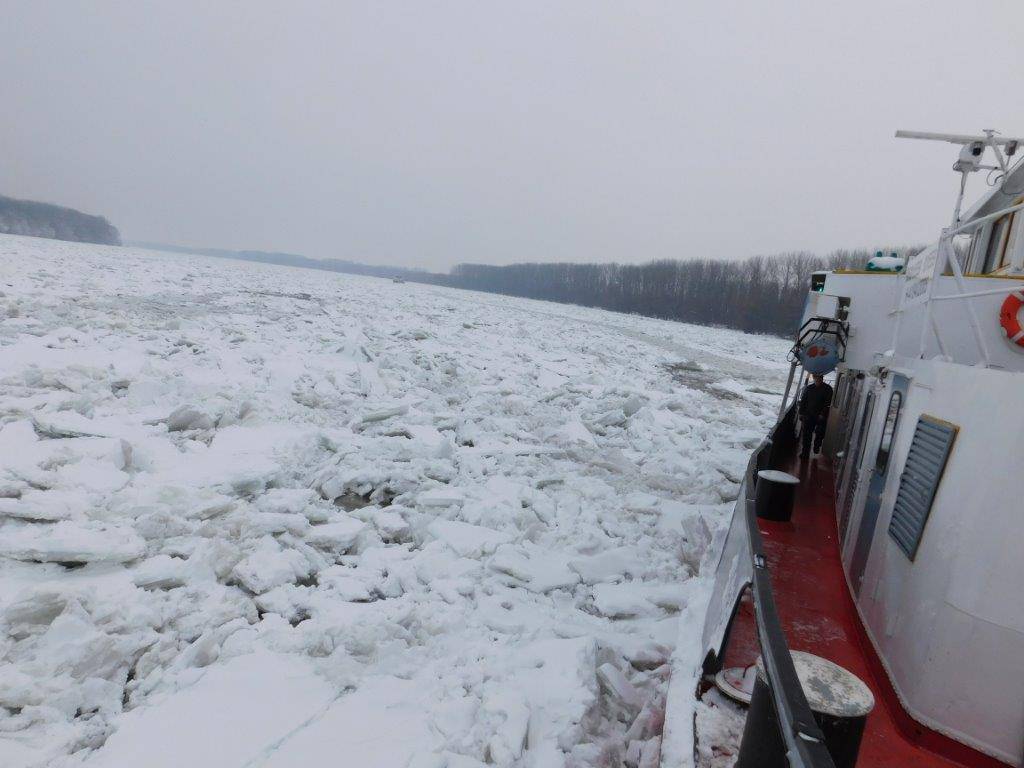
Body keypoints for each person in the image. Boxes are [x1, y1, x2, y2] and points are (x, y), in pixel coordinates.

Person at [798, 373, 833, 459]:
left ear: (822, 378)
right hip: (809, 415)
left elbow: (828, 403)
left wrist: (823, 414)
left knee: (820, 433)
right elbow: (803, 401)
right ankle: (805, 453)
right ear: (813, 378)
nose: (817, 379)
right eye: (815, 378)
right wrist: (801, 413)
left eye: (818, 378)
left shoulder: (828, 389)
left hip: (821, 416)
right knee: (807, 436)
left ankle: (817, 445)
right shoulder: (809, 388)